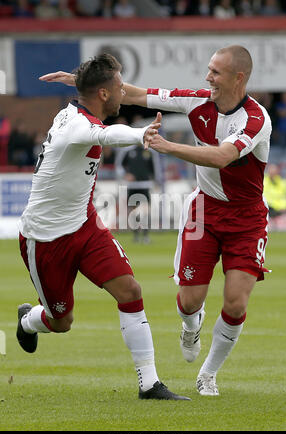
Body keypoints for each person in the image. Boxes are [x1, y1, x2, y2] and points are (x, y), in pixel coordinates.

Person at [39, 45, 272, 397]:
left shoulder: (256, 119)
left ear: (238, 78)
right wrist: (85, 83)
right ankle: (191, 325)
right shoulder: (196, 101)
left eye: (215, 72)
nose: (207, 77)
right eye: (208, 69)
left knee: (236, 301)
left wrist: (167, 146)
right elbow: (136, 93)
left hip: (247, 218)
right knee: (190, 301)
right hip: (205, 211)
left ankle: (207, 375)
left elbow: (224, 156)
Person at [18, 54, 190, 402]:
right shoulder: (78, 126)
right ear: (103, 94)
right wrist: (143, 133)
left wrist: (77, 79)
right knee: (61, 322)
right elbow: (107, 134)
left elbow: (103, 102)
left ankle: (149, 384)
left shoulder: (80, 108)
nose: (124, 89)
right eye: (118, 84)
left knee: (130, 290)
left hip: (84, 225)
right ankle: (28, 320)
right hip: (45, 239)